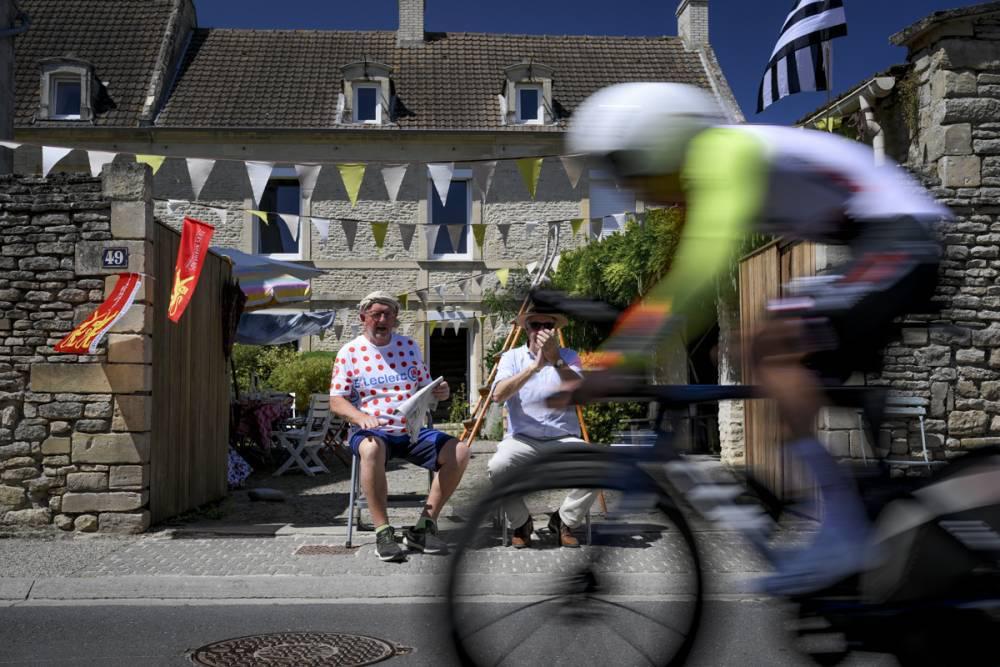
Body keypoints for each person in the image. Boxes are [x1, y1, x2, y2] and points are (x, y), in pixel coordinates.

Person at [565, 82, 947, 594]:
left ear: (655, 144)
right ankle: (855, 504)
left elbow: (697, 279)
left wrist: (617, 359)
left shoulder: (722, 154)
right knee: (761, 343)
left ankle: (840, 529)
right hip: (870, 239)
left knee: (775, 342)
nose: (628, 185)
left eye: (625, 166)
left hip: (899, 237)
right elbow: (686, 280)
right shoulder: (711, 172)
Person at [330, 291, 471, 562]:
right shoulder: (350, 352)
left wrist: (440, 391)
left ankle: (423, 527)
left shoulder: (408, 346)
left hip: (410, 430)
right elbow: (337, 400)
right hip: (371, 431)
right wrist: (360, 418)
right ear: (363, 318)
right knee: (371, 449)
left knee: (461, 451)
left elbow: (426, 387)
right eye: (376, 314)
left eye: (388, 315)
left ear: (395, 319)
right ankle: (383, 531)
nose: (382, 319)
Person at [489, 301, 597, 548]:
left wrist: (556, 360)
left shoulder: (569, 357)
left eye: (547, 325)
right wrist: (533, 368)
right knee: (498, 467)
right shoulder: (511, 357)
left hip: (563, 438)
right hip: (522, 439)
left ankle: (564, 520)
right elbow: (498, 395)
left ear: (554, 329)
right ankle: (521, 522)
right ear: (527, 328)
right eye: (535, 324)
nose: (541, 329)